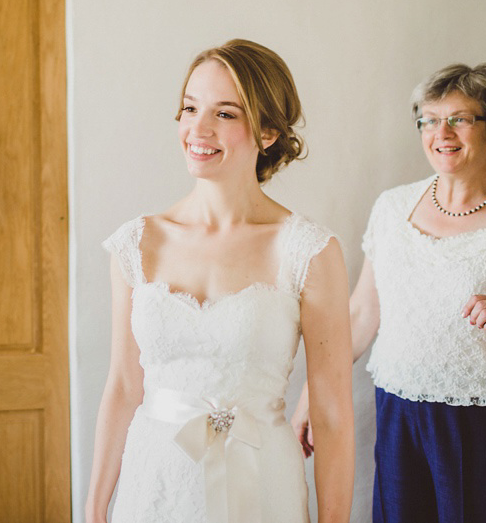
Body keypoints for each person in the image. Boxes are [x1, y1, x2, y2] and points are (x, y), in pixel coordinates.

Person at [84, 39, 354, 523]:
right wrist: (94, 506)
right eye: (190, 108)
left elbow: (332, 415)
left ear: (268, 130)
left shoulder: (308, 251)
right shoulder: (137, 243)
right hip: (155, 482)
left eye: (225, 114)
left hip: (262, 483)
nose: (198, 129)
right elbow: (124, 387)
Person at [292, 62, 486, 522]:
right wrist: (313, 391)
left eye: (460, 118)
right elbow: (363, 314)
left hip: (484, 423)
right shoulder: (392, 208)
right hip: (398, 413)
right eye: (429, 120)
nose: (441, 132)